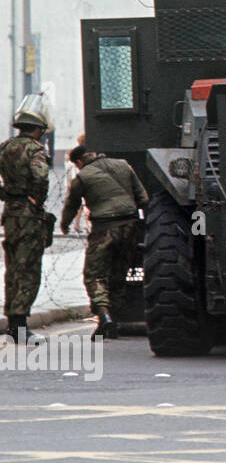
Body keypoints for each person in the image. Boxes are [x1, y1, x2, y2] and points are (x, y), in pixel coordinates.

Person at [60, 145, 149, 338]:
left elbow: (71, 205)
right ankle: (115, 322)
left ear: (79, 162)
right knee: (118, 274)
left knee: (94, 275)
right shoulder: (123, 165)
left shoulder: (83, 177)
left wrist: (65, 225)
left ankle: (104, 315)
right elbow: (143, 198)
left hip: (104, 227)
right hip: (129, 226)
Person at [0, 96, 52, 344]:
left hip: (10, 213)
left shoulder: (5, 147)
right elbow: (40, 176)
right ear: (37, 130)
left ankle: (12, 325)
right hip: (29, 216)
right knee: (29, 269)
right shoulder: (34, 149)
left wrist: (7, 194)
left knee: (12, 268)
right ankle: (21, 326)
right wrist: (36, 198)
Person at [64, 133, 89, 233]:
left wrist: (68, 184)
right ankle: (86, 225)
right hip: (82, 181)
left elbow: (68, 171)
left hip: (75, 181)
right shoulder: (84, 155)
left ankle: (77, 224)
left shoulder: (73, 153)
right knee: (85, 205)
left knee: (78, 204)